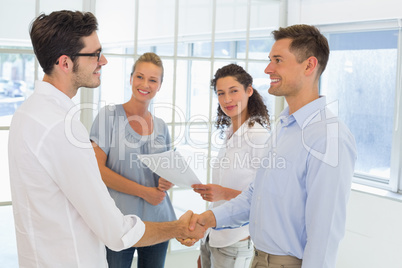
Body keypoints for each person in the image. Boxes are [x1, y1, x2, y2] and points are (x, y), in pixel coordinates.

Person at [8, 10, 204, 268]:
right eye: (95, 54)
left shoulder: (28, 113)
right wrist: (178, 228)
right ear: (65, 63)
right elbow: (117, 231)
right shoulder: (61, 128)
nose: (104, 61)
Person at [185, 24, 357, 268]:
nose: (268, 69)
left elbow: (325, 234)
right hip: (259, 258)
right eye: (269, 60)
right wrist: (210, 218)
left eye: (278, 60)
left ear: (309, 65)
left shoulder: (329, 137)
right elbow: (257, 195)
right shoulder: (284, 127)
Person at [90, 52, 176, 268]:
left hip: (158, 222)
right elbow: (97, 170)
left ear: (160, 85)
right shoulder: (108, 116)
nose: (145, 84)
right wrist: (143, 191)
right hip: (119, 222)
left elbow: (167, 172)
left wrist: (167, 181)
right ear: (130, 79)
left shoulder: (162, 126)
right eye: (140, 76)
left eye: (153, 80)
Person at [191, 64, 270, 268]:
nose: (227, 99)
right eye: (221, 93)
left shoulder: (259, 137)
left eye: (234, 91)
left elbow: (266, 198)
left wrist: (223, 193)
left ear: (249, 91)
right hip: (212, 237)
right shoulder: (230, 133)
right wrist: (205, 241)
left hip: (235, 240)